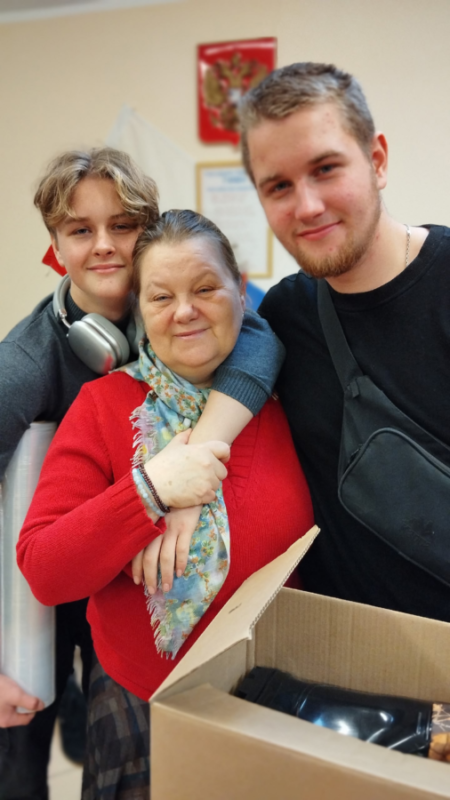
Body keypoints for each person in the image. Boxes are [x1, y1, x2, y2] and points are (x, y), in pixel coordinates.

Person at [0, 149, 282, 799]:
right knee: (21, 741)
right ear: (54, 249)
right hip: (30, 576)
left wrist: (191, 476)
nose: (104, 245)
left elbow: (263, 337)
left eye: (123, 225)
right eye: (80, 230)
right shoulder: (23, 368)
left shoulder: (190, 308)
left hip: (121, 578)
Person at [235, 61, 450, 623]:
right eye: (279, 186)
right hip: (340, 657)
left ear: (377, 160)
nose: (306, 206)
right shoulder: (282, 317)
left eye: (325, 169)